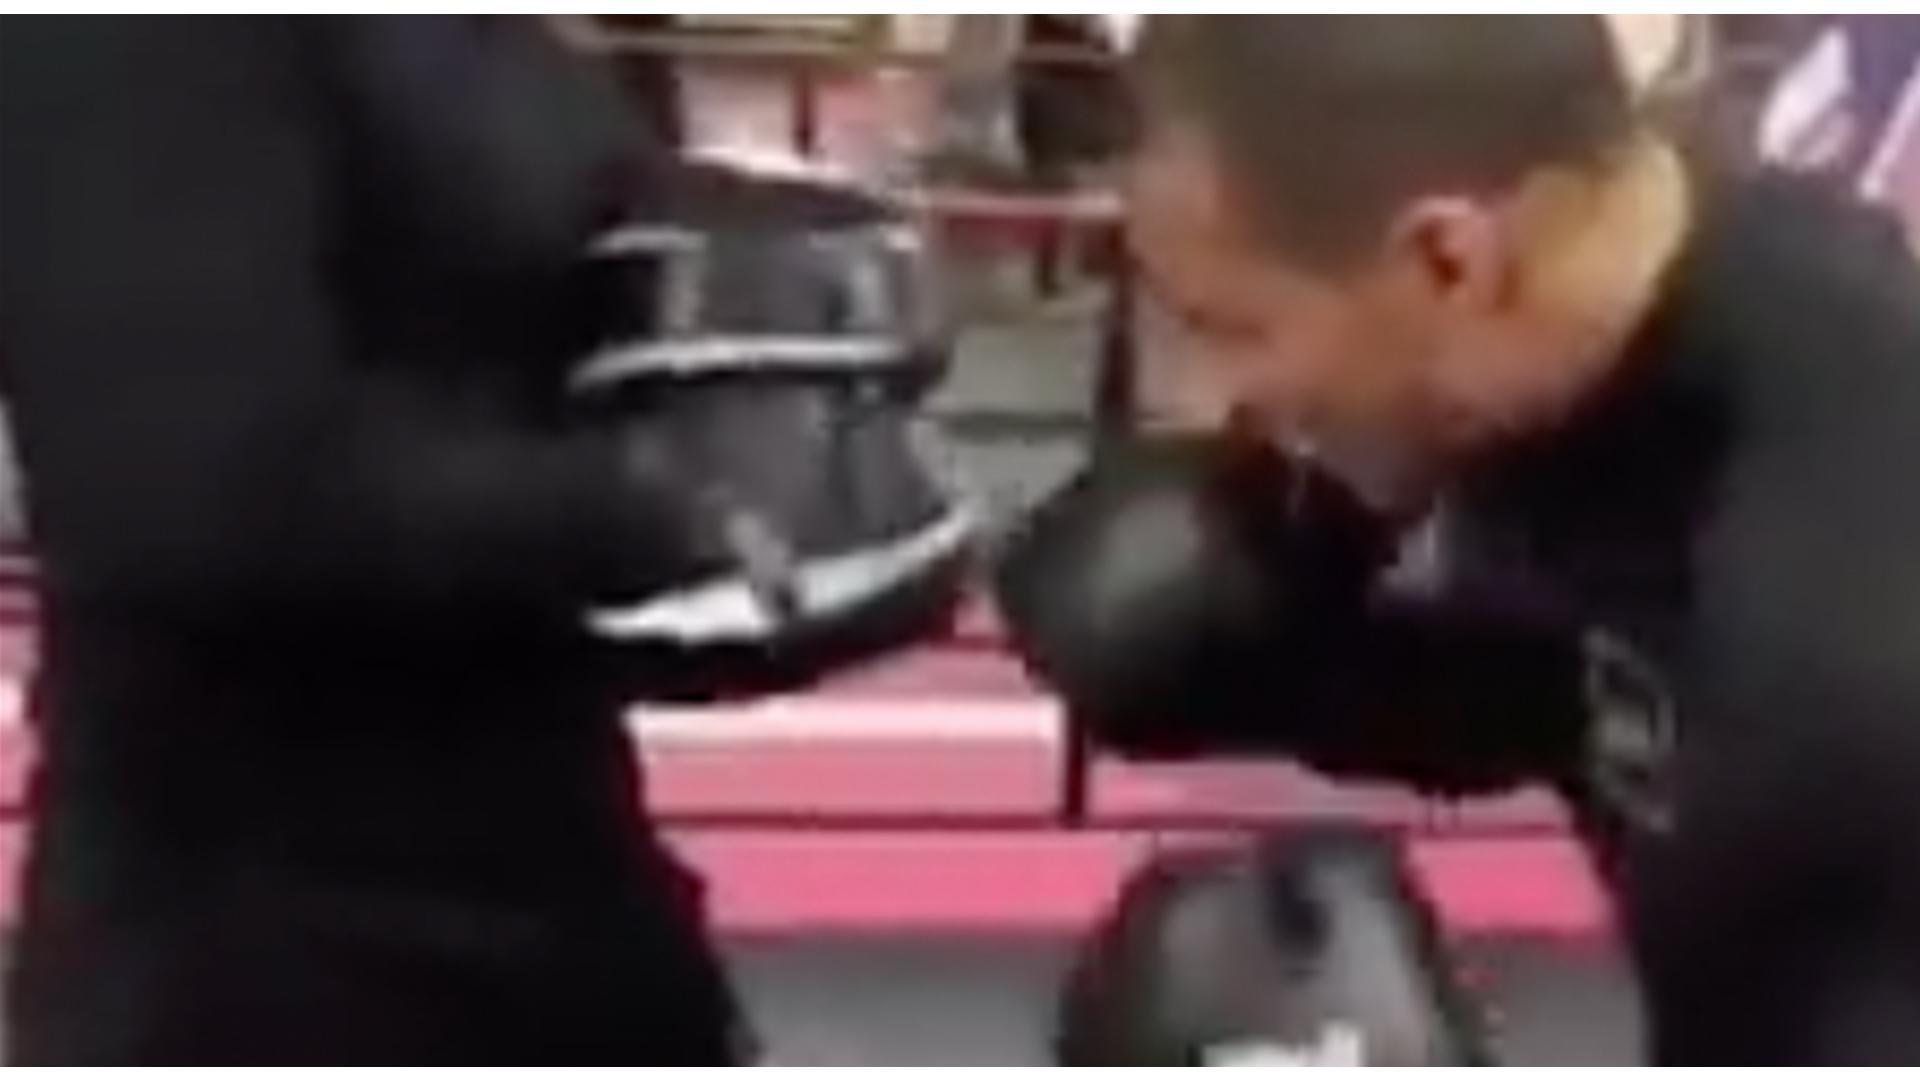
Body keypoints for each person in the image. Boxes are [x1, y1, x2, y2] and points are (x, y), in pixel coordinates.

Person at [0, 16, 963, 1063]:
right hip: (261, 938)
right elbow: (178, 488)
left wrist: (754, 434)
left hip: (543, 862)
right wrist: (666, 509)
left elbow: (503, 351)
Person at [997, 14, 1920, 1064]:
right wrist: (1246, 653)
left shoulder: (1839, 628)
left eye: (1237, 329)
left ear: (1449, 259)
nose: (1214, 403)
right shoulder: (1581, 347)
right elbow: (1559, 702)